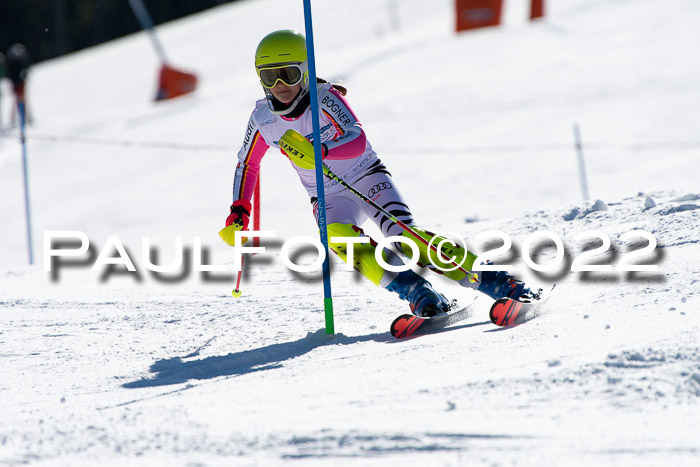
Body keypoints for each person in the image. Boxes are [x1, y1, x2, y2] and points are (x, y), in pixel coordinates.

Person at [220, 30, 533, 317]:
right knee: (337, 238)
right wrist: (239, 210)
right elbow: (247, 163)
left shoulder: (324, 99)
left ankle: (499, 282)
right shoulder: (263, 118)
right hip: (326, 196)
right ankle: (417, 292)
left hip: (365, 176)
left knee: (403, 237)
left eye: (288, 74)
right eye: (270, 77)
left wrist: (322, 152)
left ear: (304, 70)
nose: (280, 86)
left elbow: (356, 139)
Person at [6, 44, 31, 125]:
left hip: (20, 83)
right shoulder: (12, 63)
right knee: (17, 100)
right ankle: (15, 118)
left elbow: (25, 71)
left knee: (22, 100)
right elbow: (11, 75)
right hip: (16, 84)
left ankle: (25, 117)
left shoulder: (20, 62)